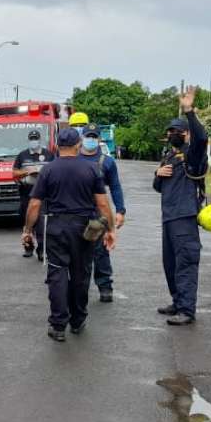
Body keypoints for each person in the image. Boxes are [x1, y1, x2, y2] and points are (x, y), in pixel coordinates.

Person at [23, 128, 116, 342]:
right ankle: (77, 320)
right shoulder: (91, 169)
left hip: (55, 225)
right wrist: (110, 230)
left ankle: (58, 325)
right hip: (84, 228)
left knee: (56, 275)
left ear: (57, 146)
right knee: (81, 274)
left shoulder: (48, 170)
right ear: (77, 145)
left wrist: (27, 230)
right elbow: (102, 203)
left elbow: (35, 204)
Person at [153, 86, 208, 326]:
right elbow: (158, 187)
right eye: (170, 131)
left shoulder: (193, 154)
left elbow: (202, 138)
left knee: (185, 263)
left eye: (176, 131)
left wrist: (189, 111)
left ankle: (187, 309)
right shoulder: (168, 156)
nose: (172, 134)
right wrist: (158, 173)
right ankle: (177, 301)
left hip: (185, 217)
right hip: (168, 217)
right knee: (170, 264)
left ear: (186, 134)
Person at [78, 124, 126, 302]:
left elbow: (115, 187)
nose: (90, 140)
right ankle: (77, 287)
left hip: (98, 211)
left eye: (94, 136)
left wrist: (120, 210)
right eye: (88, 136)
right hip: (76, 210)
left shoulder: (107, 161)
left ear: (99, 139)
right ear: (82, 138)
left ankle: (105, 285)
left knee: (100, 251)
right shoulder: (73, 158)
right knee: (77, 252)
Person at [14, 129, 55, 259]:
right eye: (31, 139)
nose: (34, 141)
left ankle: (42, 250)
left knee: (42, 222)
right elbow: (14, 173)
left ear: (39, 140)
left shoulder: (49, 155)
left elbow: (55, 170)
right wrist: (27, 171)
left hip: (44, 193)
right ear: (28, 140)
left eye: (35, 139)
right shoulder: (22, 155)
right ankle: (28, 247)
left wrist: (42, 172)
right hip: (27, 191)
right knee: (27, 221)